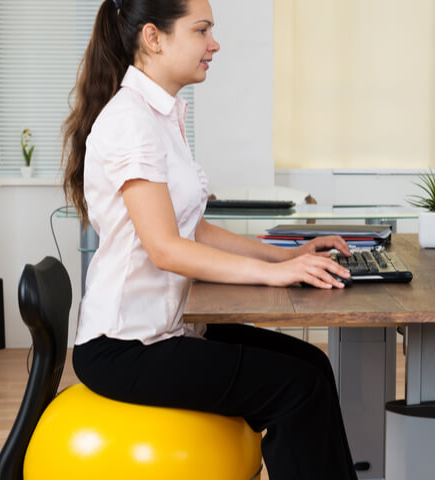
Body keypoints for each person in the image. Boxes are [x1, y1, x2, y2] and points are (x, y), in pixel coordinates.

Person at [60, 0, 359, 478]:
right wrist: (275, 274)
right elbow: (166, 248)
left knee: (312, 366)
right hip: (125, 346)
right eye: (201, 31)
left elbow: (193, 228)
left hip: (169, 328)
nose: (214, 44)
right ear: (154, 38)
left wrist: (289, 253)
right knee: (297, 387)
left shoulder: (161, 114)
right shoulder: (130, 123)